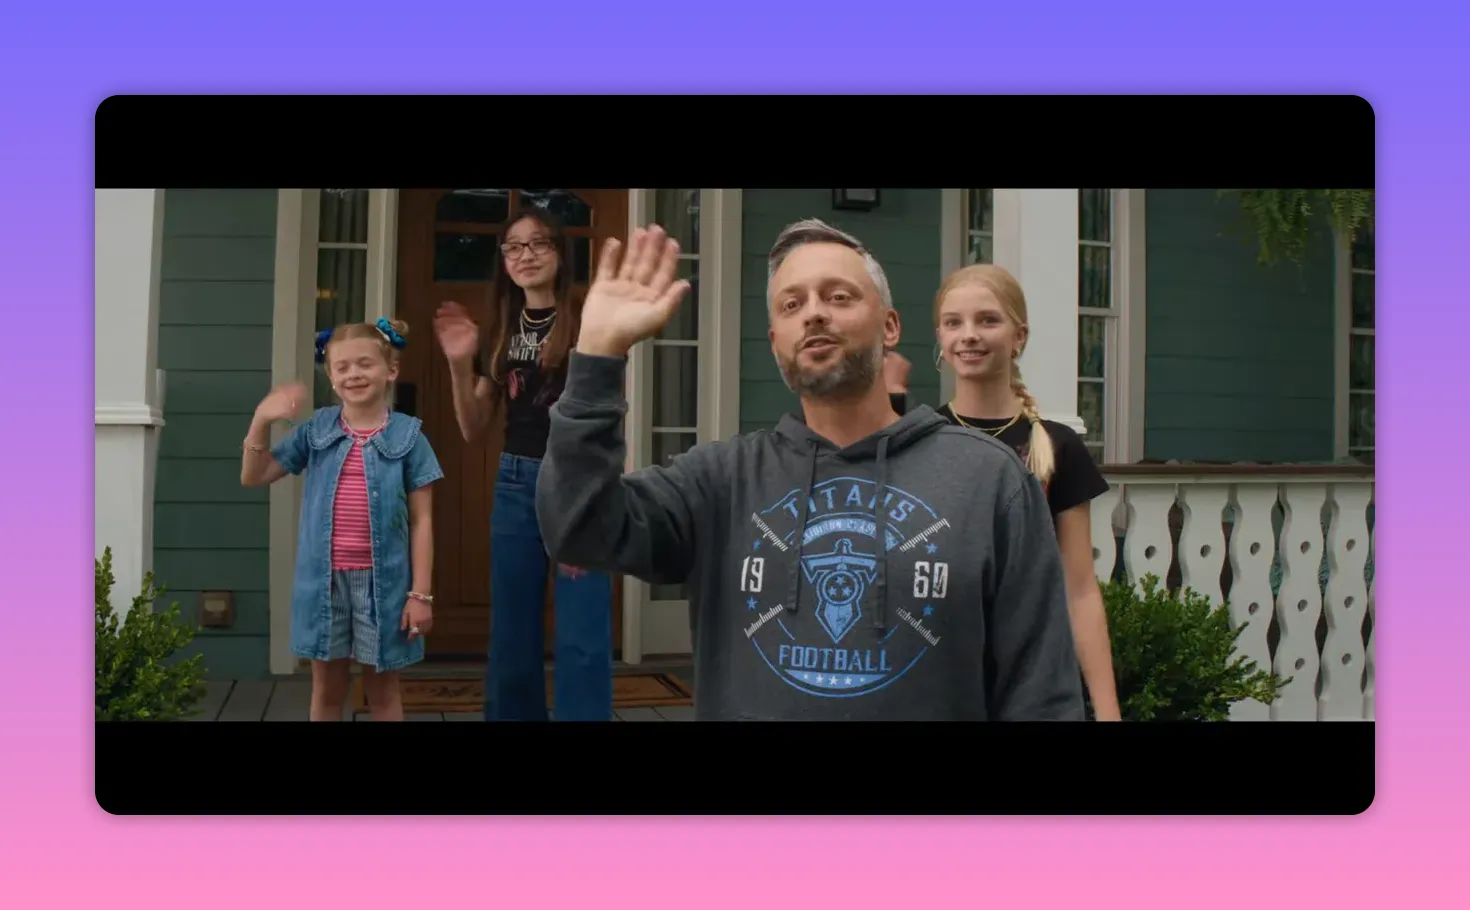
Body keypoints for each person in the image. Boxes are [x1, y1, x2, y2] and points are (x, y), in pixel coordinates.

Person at [535, 218, 1084, 721]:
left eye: (839, 296)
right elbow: (576, 529)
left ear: (890, 326)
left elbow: (1040, 690)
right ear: (776, 342)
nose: (814, 313)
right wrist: (596, 357)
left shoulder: (988, 480)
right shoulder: (721, 481)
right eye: (791, 304)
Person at [890, 263, 1121, 720]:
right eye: (954, 322)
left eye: (988, 320)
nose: (969, 335)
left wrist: (1108, 710)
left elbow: (1079, 589)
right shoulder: (918, 439)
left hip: (1032, 678)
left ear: (1019, 337)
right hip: (939, 679)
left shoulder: (1056, 446)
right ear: (940, 337)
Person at [433, 206, 614, 723]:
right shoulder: (501, 329)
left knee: (583, 631)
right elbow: (473, 426)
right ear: (503, 260)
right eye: (514, 246)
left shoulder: (588, 320)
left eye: (538, 243)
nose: (525, 255)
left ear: (559, 253)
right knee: (512, 632)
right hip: (517, 483)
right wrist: (458, 364)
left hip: (580, 484)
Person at [241, 318, 444, 721]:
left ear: (390, 371)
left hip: (384, 585)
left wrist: (420, 595)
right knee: (327, 690)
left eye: (365, 364)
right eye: (343, 367)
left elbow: (422, 521)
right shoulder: (316, 431)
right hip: (324, 584)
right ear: (332, 378)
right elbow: (255, 475)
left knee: (382, 692)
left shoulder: (409, 437)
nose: (354, 374)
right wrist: (261, 420)